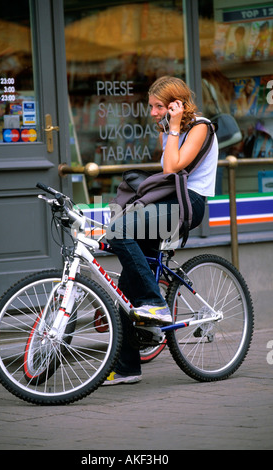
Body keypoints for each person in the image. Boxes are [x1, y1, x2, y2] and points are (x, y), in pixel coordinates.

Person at [104, 76, 218, 385]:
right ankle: (128, 367)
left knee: (118, 232)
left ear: (176, 104)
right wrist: (169, 129)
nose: (153, 113)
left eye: (158, 106)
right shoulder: (168, 130)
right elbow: (167, 169)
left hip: (187, 204)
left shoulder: (201, 128)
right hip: (167, 202)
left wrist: (175, 126)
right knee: (127, 288)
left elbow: (171, 169)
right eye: (152, 107)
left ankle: (155, 303)